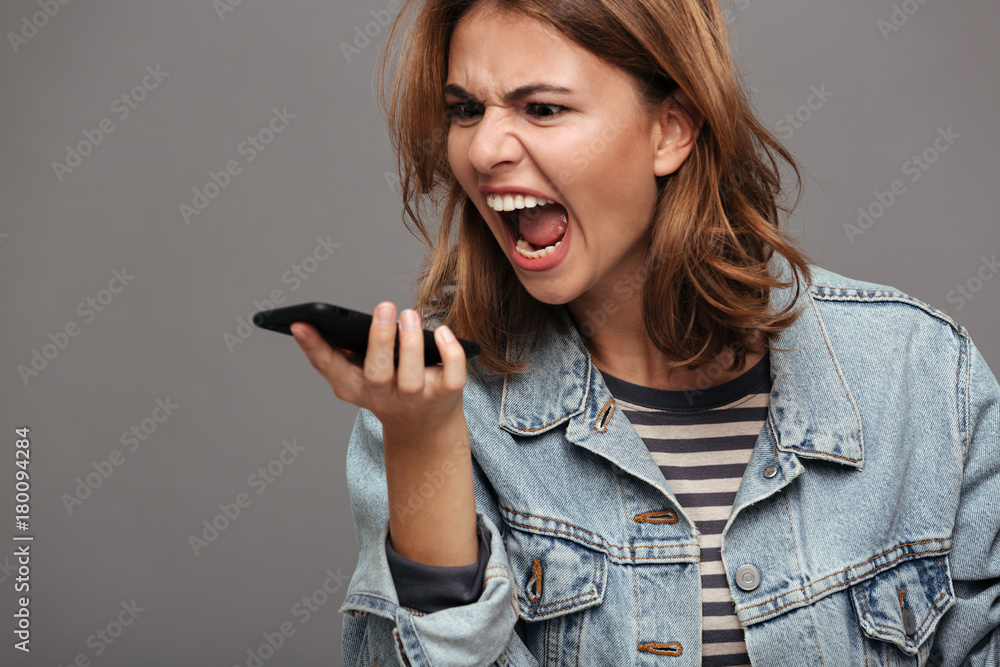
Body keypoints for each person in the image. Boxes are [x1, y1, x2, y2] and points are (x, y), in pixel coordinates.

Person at [291, 0, 1000, 664]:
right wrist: (424, 445)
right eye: (466, 110)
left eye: (541, 108)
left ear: (671, 129)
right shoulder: (435, 407)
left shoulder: (923, 372)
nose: (483, 150)